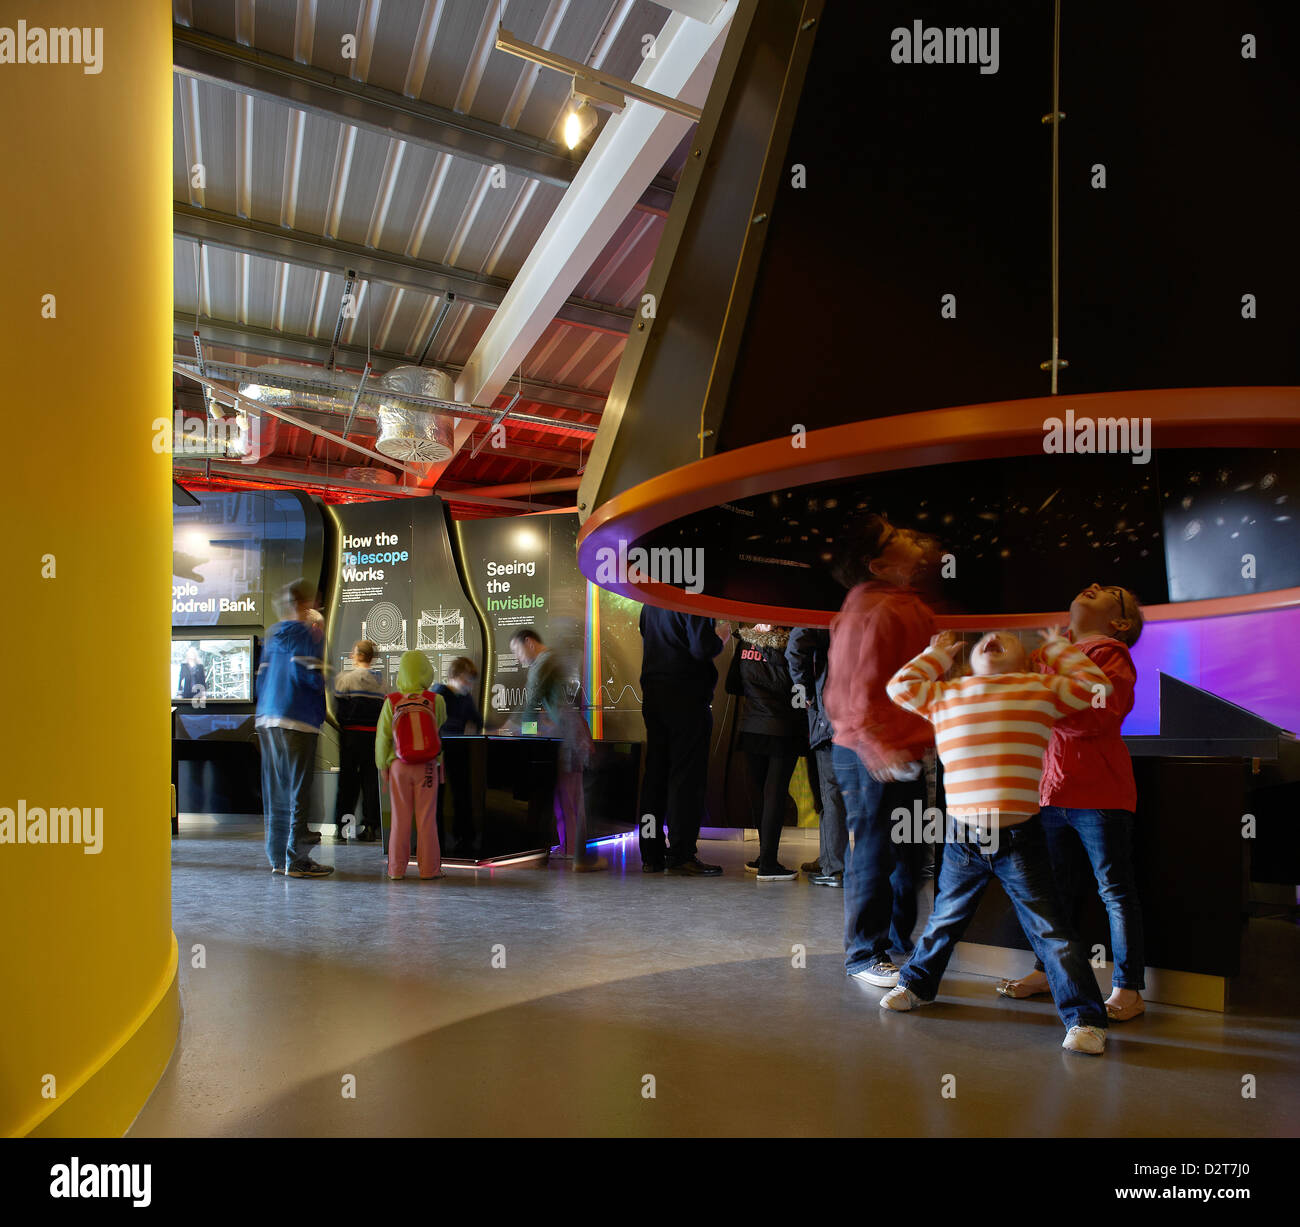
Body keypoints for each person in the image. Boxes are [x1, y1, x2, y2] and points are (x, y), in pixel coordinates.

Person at [880, 628, 1114, 1055]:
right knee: (944, 920)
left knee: (1051, 933)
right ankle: (917, 985)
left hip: (1018, 839)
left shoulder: (1039, 688)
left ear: (1027, 661)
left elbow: (1097, 688)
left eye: (1008, 636)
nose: (995, 636)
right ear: (971, 662)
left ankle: (1085, 1019)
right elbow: (900, 687)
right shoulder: (949, 692)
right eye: (989, 635)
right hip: (961, 837)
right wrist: (934, 654)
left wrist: (1059, 650)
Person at [996, 583, 1147, 1021]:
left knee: (1114, 891)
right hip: (1050, 792)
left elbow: (1098, 713)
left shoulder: (1109, 653)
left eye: (1109, 592)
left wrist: (1041, 702)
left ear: (1118, 623)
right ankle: (1049, 973)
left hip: (1100, 794)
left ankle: (1129, 989)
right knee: (1055, 891)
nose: (1094, 586)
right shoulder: (1051, 653)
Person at [823, 514, 936, 986]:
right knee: (874, 851)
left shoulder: (908, 604)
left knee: (906, 851)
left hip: (901, 748)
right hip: (871, 751)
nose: (907, 533)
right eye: (894, 537)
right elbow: (850, 686)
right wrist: (876, 744)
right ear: (880, 565)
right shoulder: (872, 607)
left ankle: (893, 941)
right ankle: (864, 954)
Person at [637, 606, 728, 876]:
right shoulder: (691, 598)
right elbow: (701, 647)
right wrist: (720, 636)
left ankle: (650, 854)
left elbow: (646, 633)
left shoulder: (649, 601)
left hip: (654, 694)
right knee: (686, 779)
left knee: (655, 777)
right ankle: (681, 854)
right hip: (687, 696)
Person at [504, 628, 604, 872]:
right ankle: (571, 850)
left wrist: (521, 732)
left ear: (528, 643)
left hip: (566, 738)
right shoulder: (550, 661)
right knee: (569, 798)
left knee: (568, 799)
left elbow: (531, 699)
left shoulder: (543, 662)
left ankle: (572, 853)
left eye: (516, 650)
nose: (518, 658)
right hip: (569, 734)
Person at [256, 578, 333, 878]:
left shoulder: (273, 634)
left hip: (268, 718)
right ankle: (298, 861)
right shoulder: (307, 633)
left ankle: (278, 858)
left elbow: (261, 679)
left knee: (276, 792)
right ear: (303, 604)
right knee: (299, 792)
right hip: (297, 719)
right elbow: (312, 676)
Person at [726, 624, 808, 880]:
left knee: (761, 795)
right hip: (783, 729)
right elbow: (799, 688)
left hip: (751, 729)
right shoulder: (791, 646)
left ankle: (764, 856)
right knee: (775, 795)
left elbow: (732, 685)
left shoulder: (745, 644)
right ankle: (769, 863)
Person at [375, 650, 446, 881]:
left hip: (398, 765)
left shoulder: (392, 701)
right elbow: (439, 728)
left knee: (400, 819)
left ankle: (396, 870)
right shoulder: (437, 700)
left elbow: (383, 738)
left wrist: (382, 765)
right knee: (426, 819)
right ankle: (429, 870)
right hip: (427, 765)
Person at [786, 626, 848, 887]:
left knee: (830, 792)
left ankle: (835, 867)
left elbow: (796, 647)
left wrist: (807, 692)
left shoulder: (818, 607)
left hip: (832, 715)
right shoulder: (870, 606)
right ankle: (829, 860)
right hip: (864, 715)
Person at [332, 639, 386, 842]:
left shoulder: (345, 679)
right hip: (373, 738)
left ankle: (344, 828)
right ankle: (371, 827)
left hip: (351, 737)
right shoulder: (382, 682)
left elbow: (339, 709)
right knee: (371, 783)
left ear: (359, 655)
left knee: (347, 784)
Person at [434, 657, 480, 857]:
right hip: (440, 752)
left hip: (459, 750)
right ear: (456, 675)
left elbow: (477, 720)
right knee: (438, 797)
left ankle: (464, 838)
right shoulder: (439, 693)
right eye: (466, 679)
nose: (468, 684)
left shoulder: (465, 698)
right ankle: (438, 840)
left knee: (463, 795)